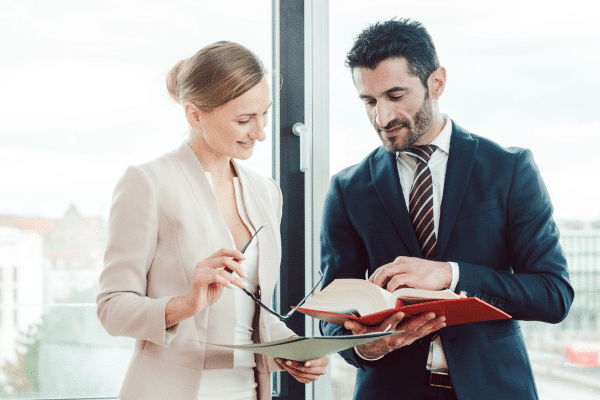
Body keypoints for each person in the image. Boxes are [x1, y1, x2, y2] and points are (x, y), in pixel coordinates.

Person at [319, 19, 573, 400]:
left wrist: (450, 275)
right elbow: (333, 315)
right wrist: (363, 348)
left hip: (494, 389)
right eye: (369, 102)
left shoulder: (508, 170)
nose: (382, 118)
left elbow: (554, 295)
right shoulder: (347, 188)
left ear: (436, 82)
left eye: (395, 95)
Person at [97, 41, 328, 400]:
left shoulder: (266, 192)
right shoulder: (147, 183)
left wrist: (292, 349)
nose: (260, 132)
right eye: (243, 120)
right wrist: (186, 305)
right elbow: (112, 308)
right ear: (194, 115)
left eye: (264, 114)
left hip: (249, 390)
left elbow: (253, 312)